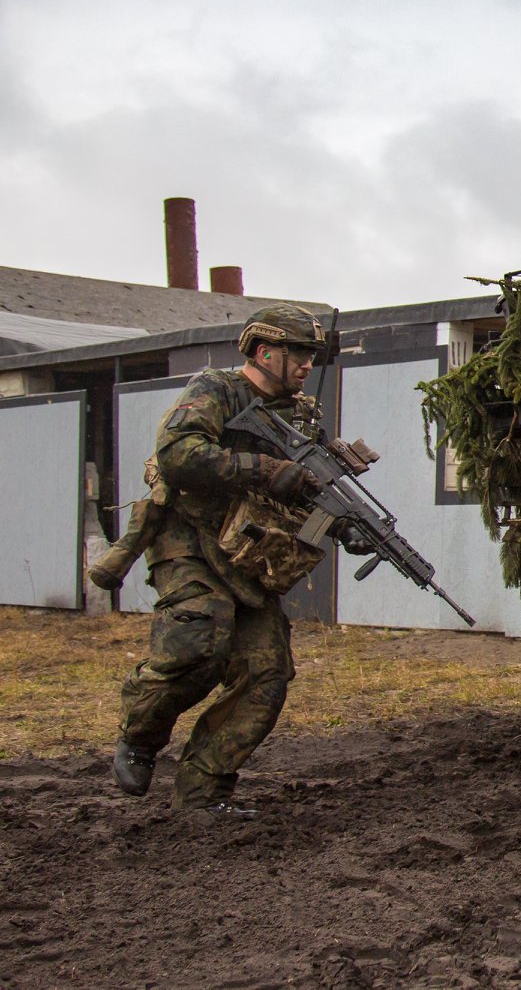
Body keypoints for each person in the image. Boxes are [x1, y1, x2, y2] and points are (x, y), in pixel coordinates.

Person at [112, 303, 332, 815]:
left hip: (249, 558)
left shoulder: (301, 416)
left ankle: (202, 795)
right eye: (296, 353)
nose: (305, 365)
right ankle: (140, 736)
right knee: (198, 642)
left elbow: (306, 489)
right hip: (188, 542)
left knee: (266, 673)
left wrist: (340, 524)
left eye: (310, 356)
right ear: (263, 351)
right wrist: (260, 468)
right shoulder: (215, 389)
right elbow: (178, 455)